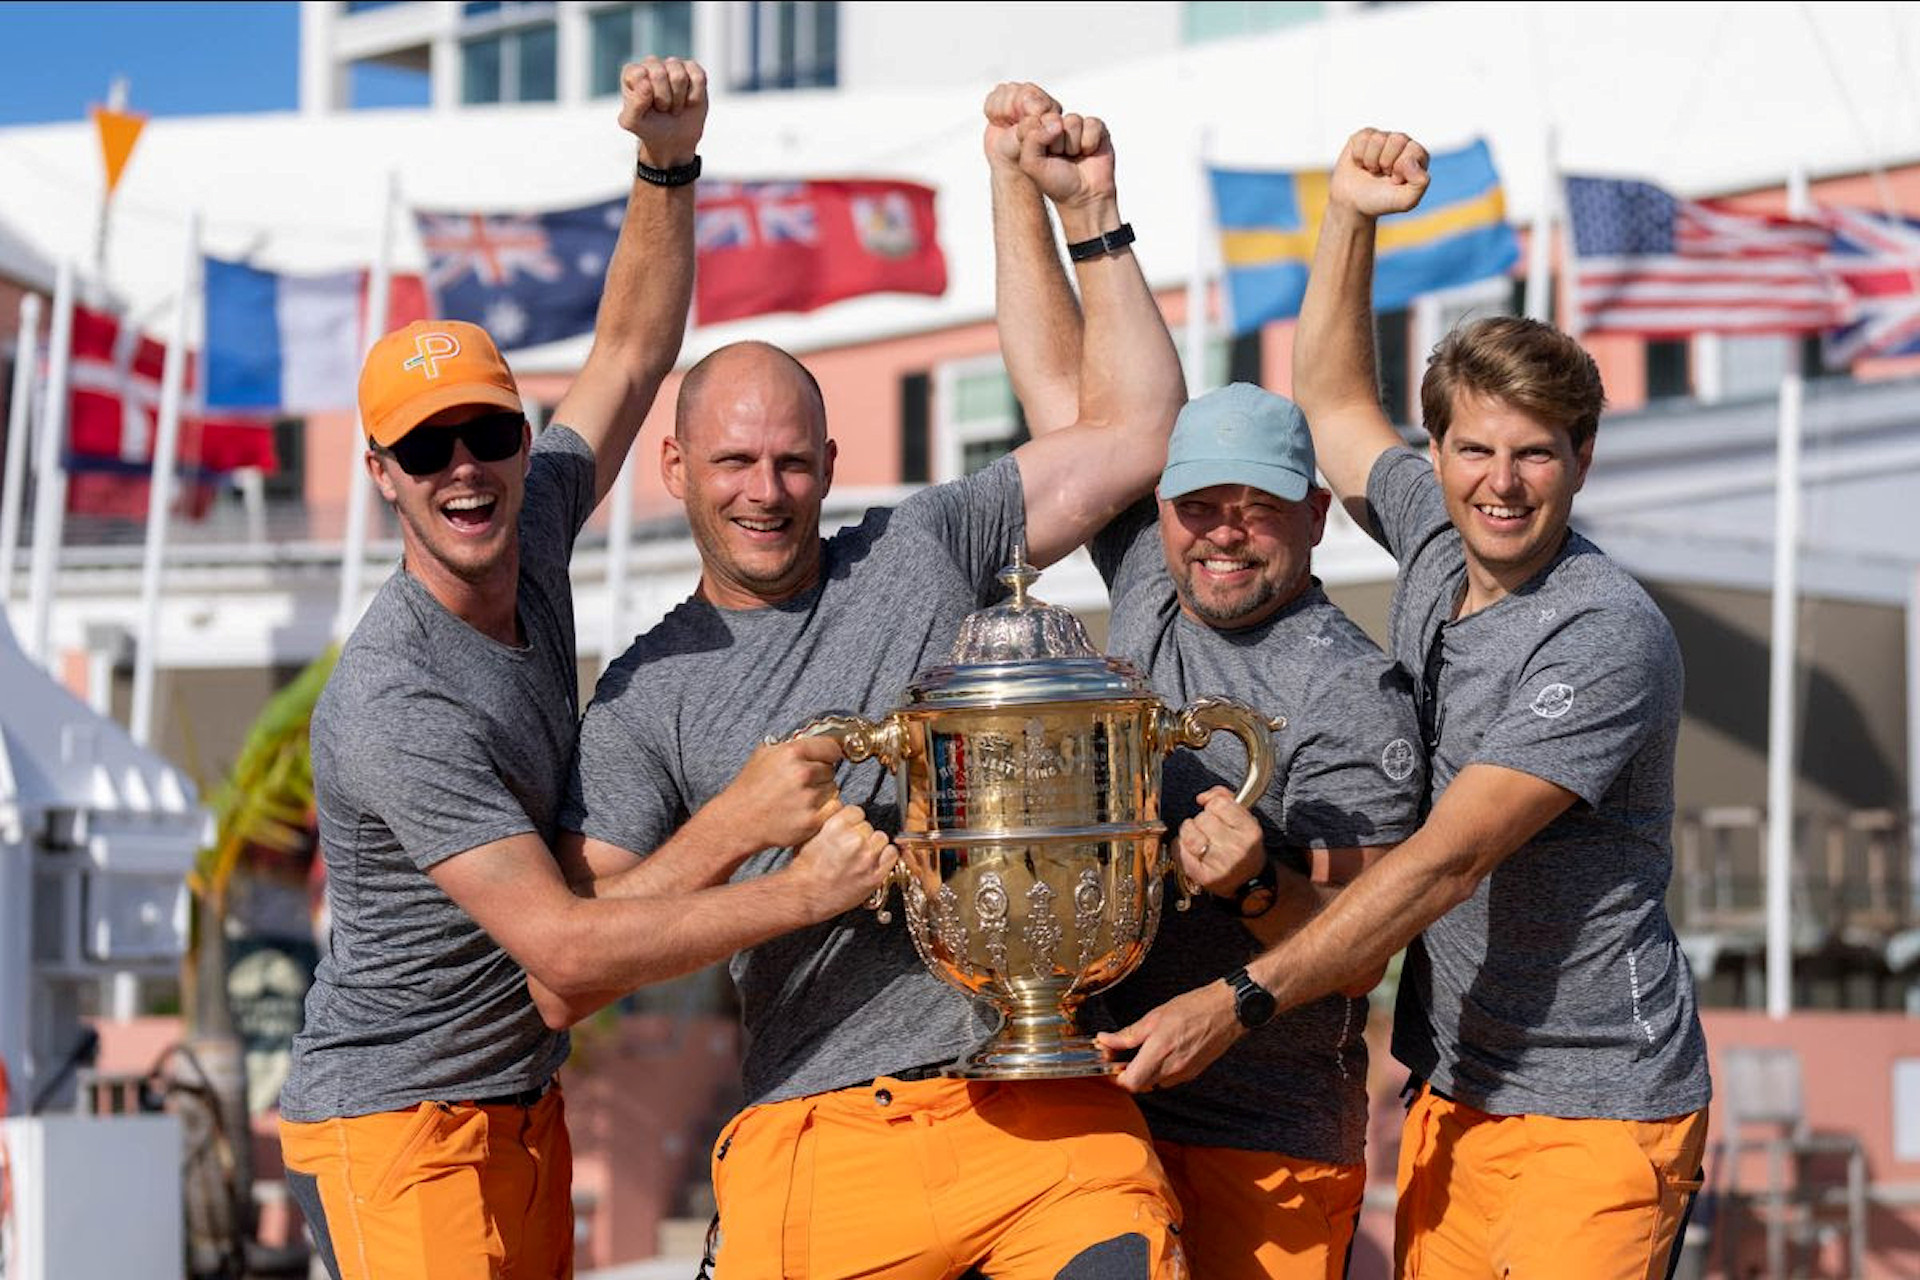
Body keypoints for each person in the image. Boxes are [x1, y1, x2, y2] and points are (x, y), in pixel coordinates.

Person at [555, 88, 1192, 1279]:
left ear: (833, 464)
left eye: (794, 460)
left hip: (1040, 1100)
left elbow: (1142, 425)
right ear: (676, 465)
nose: (766, 488)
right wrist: (744, 834)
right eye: (736, 460)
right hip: (820, 1120)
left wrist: (1078, 210)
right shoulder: (647, 694)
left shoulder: (923, 544)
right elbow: (584, 955)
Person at [277, 59, 896, 1280]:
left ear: (519, 438)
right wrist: (799, 878)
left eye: (489, 431)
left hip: (516, 1101)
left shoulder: (535, 523)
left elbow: (626, 350)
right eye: (426, 447)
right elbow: (562, 951)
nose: (466, 466)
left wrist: (667, 161)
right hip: (396, 1120)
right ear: (382, 473)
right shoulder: (397, 697)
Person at [1103, 128, 1713, 1280]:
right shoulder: (1440, 548)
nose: (1501, 481)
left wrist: (1234, 998)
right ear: (1436, 453)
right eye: (1474, 448)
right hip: (1453, 1089)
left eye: (1535, 453)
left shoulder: (1604, 631)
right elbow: (1334, 397)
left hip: (1601, 1109)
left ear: (1582, 457)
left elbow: (1442, 864)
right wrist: (1348, 213)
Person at [992, 112, 1426, 1274]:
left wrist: (1252, 883)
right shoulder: (1150, 578)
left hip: (1262, 1139)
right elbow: (1062, 401)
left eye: (1261, 503)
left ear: (1317, 514)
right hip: (1095, 1107)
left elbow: (1357, 947)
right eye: (1198, 503)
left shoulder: (1354, 693)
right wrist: (1021, 192)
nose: (1223, 531)